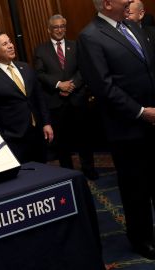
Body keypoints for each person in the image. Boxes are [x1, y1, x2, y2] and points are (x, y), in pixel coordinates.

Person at [78, 0, 155, 260]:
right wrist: (141, 112)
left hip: (154, 121)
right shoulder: (90, 36)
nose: (130, 1)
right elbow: (104, 87)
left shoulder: (132, 26)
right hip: (128, 127)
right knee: (136, 188)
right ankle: (142, 238)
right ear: (108, 3)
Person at [33, 14, 98, 179]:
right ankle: (68, 173)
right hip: (56, 102)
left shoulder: (75, 46)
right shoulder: (41, 50)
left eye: (62, 26)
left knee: (84, 137)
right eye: (56, 27)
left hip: (77, 99)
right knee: (62, 143)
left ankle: (89, 169)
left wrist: (72, 85)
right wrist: (58, 84)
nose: (60, 30)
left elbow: (84, 69)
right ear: (49, 29)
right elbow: (39, 74)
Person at [0, 32, 53, 164]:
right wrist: (3, 139)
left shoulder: (25, 67)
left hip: (37, 134)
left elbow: (39, 97)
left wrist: (46, 123)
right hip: (14, 141)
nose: (10, 46)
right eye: (5, 44)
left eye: (10, 42)